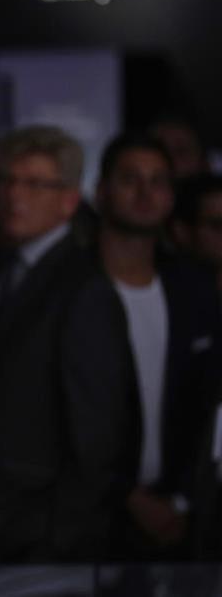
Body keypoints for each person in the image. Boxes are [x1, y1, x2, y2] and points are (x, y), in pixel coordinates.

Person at [0, 126, 136, 561]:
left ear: (69, 200)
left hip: (40, 535)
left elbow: (98, 436)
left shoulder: (84, 289)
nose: (15, 195)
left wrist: (59, 537)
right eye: (8, 180)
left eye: (34, 184)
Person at [94, 134, 222, 558]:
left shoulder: (194, 292)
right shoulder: (70, 292)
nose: (146, 192)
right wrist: (127, 496)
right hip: (88, 520)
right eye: (131, 179)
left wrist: (182, 501)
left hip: (181, 519)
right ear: (102, 190)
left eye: (158, 180)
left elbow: (209, 407)